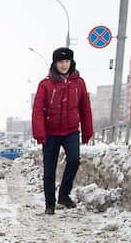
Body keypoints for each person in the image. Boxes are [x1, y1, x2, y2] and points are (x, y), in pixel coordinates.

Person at [32, 47, 93, 215]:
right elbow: (38, 109)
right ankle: (50, 203)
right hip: (51, 133)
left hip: (71, 130)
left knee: (74, 160)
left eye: (67, 61)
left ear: (71, 62)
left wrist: (88, 130)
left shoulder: (78, 83)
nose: (64, 65)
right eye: (61, 62)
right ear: (55, 63)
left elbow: (85, 108)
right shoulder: (45, 84)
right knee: (49, 169)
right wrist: (39, 132)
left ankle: (64, 195)